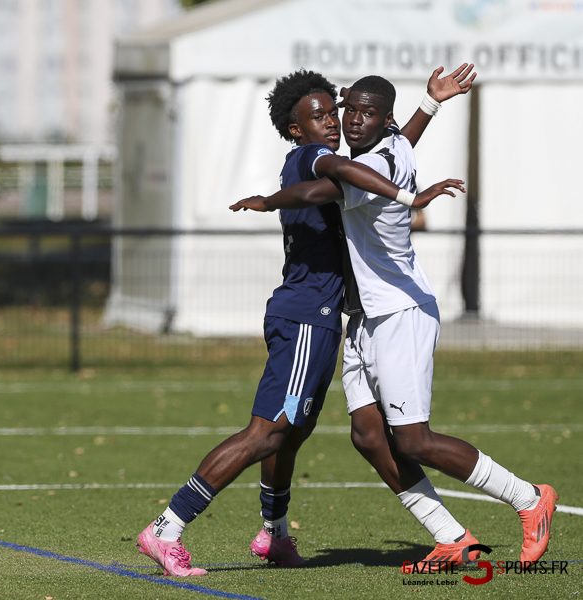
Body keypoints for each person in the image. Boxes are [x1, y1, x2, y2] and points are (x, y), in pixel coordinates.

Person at [135, 69, 460, 577]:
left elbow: (384, 156)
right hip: (308, 318)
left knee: (293, 433)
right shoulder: (312, 158)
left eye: (333, 112)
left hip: (320, 318)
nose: (333, 122)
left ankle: (274, 533)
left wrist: (429, 106)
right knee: (267, 433)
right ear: (295, 130)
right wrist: (409, 199)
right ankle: (167, 527)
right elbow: (358, 173)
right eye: (319, 116)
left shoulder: (327, 161)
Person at [234, 71, 557, 570]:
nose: (353, 121)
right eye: (350, 111)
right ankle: (453, 538)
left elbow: (315, 194)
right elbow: (404, 136)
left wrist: (266, 200)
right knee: (366, 435)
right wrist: (430, 102)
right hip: (365, 319)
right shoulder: (394, 145)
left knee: (414, 440)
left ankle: (529, 498)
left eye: (367, 114)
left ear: (382, 119)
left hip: (400, 313)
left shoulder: (369, 171)